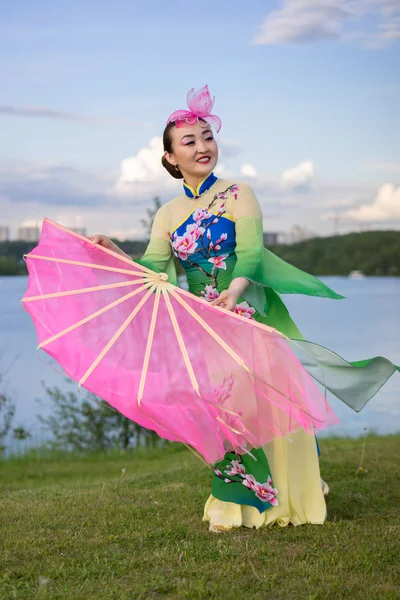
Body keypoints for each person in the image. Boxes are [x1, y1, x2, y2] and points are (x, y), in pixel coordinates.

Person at [90, 86, 398, 531]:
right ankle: (235, 504)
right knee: (227, 415)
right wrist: (115, 252)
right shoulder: (168, 213)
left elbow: (251, 255)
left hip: (247, 314)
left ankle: (290, 497)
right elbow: (153, 269)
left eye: (207, 137)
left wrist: (233, 293)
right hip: (203, 324)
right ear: (171, 158)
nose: (202, 147)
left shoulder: (239, 194)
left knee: (272, 410)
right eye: (189, 142)